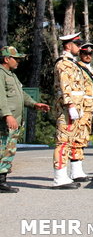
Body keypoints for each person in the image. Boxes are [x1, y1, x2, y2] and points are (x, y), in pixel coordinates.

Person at [0, 46, 49, 193]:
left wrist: (34, 104)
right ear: (6, 59)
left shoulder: (11, 75)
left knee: (8, 151)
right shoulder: (0, 74)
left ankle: (2, 180)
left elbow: (21, 94)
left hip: (14, 120)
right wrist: (7, 115)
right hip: (5, 122)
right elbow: (0, 97)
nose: (19, 61)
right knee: (3, 150)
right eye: (16, 58)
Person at [52, 33, 85, 189]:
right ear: (68, 45)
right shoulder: (63, 64)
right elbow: (65, 87)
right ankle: (59, 177)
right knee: (63, 142)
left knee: (70, 141)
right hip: (67, 109)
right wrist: (71, 105)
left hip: (74, 108)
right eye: (77, 45)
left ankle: (65, 175)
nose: (79, 48)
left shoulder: (72, 63)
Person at [70, 42, 93, 182]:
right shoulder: (77, 68)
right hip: (81, 108)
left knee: (83, 138)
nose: (88, 56)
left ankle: (79, 170)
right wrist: (76, 107)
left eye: (90, 54)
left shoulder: (88, 68)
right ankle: (75, 172)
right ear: (80, 54)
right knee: (78, 138)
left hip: (88, 108)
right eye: (85, 53)